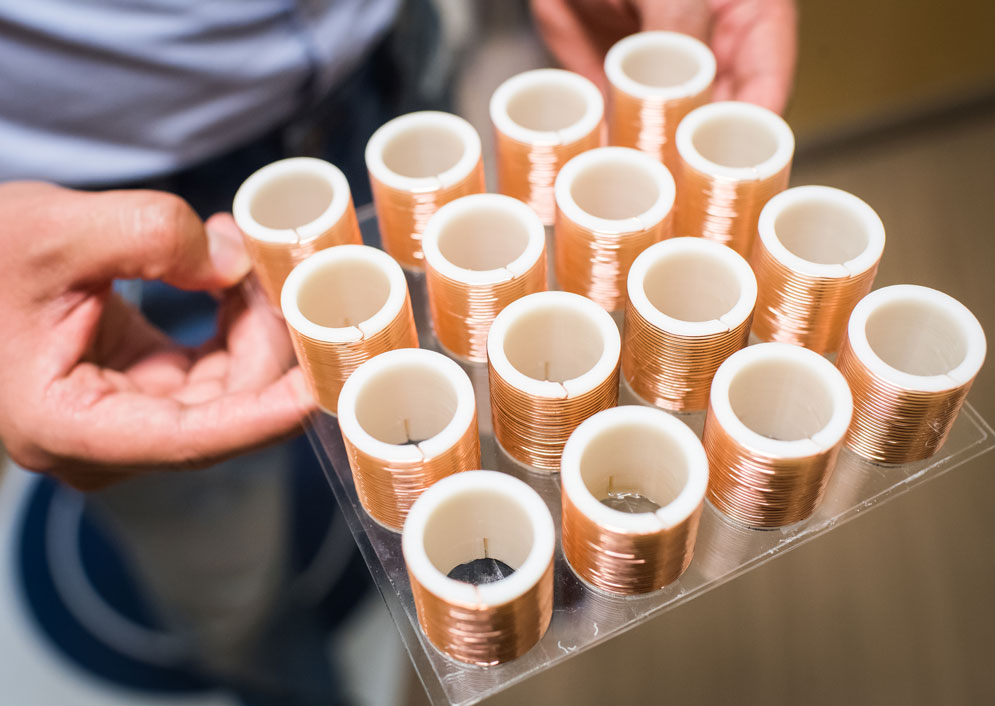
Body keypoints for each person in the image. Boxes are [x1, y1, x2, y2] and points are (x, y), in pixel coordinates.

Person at [0, 0, 795, 701]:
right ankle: (263, 662)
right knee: (202, 495)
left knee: (448, 364)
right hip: (101, 190)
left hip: (383, 64)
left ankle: (529, 549)